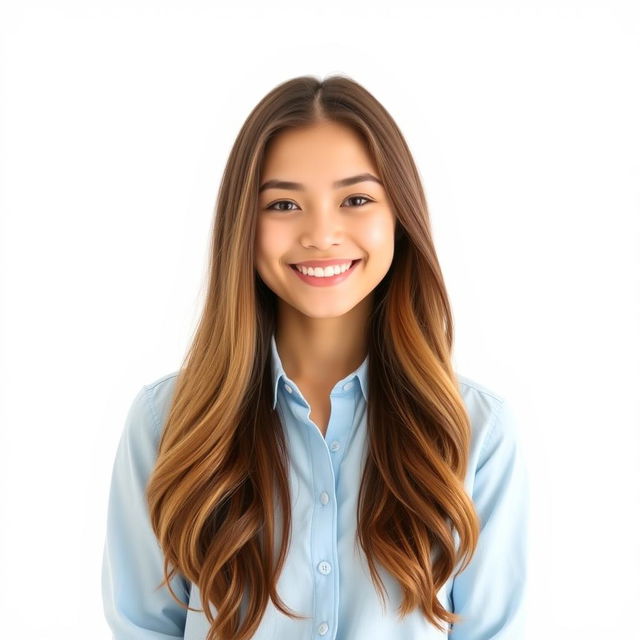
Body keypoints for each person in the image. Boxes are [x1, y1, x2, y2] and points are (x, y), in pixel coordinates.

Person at [102, 75, 529, 640]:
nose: (321, 234)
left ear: (399, 215)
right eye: (283, 203)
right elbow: (142, 627)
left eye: (356, 199)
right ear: (244, 228)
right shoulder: (166, 423)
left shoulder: (476, 431)